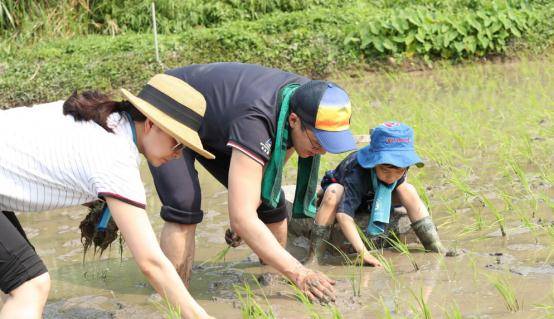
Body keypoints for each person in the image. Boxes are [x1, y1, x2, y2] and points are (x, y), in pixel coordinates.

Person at [0, 74, 215, 319]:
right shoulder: (117, 157)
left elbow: (48, 164)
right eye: (178, 143)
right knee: (30, 286)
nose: (179, 154)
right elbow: (151, 263)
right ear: (151, 124)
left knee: (16, 284)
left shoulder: (103, 119)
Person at [148, 62, 357, 302]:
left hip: (219, 121)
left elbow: (269, 174)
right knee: (184, 204)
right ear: (293, 120)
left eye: (328, 144)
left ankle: (271, 285)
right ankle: (175, 299)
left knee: (271, 203)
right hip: (172, 105)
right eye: (317, 142)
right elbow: (242, 216)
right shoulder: (257, 120)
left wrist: (247, 214)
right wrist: (299, 272)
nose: (320, 151)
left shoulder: (305, 99)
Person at [303, 122, 447, 266]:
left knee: (408, 189)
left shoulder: (401, 168)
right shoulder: (356, 172)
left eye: (399, 171)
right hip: (347, 192)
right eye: (385, 171)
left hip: (375, 196)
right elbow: (343, 215)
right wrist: (363, 253)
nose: (391, 177)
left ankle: (434, 245)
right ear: (373, 162)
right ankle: (315, 257)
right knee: (333, 192)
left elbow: (399, 183)